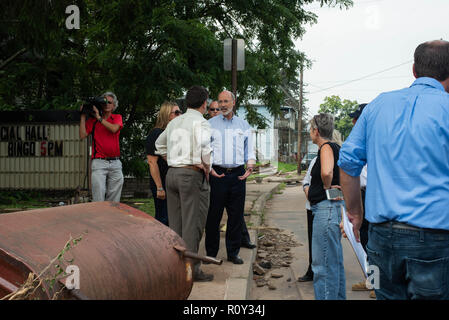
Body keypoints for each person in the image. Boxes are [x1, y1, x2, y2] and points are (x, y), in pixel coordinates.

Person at [338, 40, 449, 300]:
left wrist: (355, 212)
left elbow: (348, 163)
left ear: (414, 70)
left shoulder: (377, 105)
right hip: (434, 244)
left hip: (379, 242)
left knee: (382, 294)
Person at [155, 85, 213, 282]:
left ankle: (176, 268)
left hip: (171, 174)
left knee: (175, 225)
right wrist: (206, 167)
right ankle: (192, 270)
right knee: (192, 224)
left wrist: (173, 159)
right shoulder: (202, 123)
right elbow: (205, 150)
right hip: (191, 175)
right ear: (204, 103)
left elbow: (159, 145)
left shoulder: (174, 122)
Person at [205, 90, 256, 264]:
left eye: (226, 101)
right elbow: (205, 149)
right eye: (220, 101)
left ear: (234, 103)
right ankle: (210, 253)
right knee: (213, 216)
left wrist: (250, 164)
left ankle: (233, 253)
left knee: (235, 216)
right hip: (217, 175)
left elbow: (250, 148)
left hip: (237, 176)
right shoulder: (210, 124)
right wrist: (209, 167)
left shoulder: (244, 125)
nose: (223, 104)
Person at [308, 113, 346, 300]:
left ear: (316, 131)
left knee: (322, 265)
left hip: (326, 209)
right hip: (332, 208)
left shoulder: (326, 147)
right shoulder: (336, 146)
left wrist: (326, 185)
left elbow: (326, 171)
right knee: (334, 263)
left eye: (310, 129)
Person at [346, 103, 372, 295]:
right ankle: (371, 281)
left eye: (357, 118)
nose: (354, 122)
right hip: (362, 193)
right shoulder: (359, 140)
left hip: (373, 194)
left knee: (372, 242)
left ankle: (377, 285)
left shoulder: (376, 139)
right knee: (364, 239)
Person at [79, 92, 124, 202]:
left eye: (110, 102)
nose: (107, 104)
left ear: (114, 106)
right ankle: (100, 217)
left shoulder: (117, 117)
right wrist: (83, 116)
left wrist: (99, 117)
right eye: (104, 102)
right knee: (98, 195)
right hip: (99, 162)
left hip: (115, 162)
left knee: (114, 198)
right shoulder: (93, 122)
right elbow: (82, 135)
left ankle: (111, 217)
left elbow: (114, 129)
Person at [145, 101, 182, 226]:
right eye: (176, 112)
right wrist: (159, 187)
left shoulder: (176, 133)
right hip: (162, 183)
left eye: (180, 112)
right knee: (163, 218)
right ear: (167, 114)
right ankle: (160, 245)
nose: (179, 115)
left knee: (174, 218)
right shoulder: (156, 133)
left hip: (175, 182)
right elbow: (152, 162)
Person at [298, 155, 317, 282]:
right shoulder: (315, 160)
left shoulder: (337, 160)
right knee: (312, 240)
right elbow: (306, 179)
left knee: (328, 244)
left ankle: (327, 270)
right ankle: (312, 270)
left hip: (328, 208)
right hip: (312, 207)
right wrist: (307, 190)